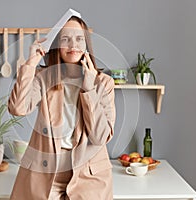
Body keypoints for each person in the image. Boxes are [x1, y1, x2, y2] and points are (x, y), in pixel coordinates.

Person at [8, 16, 115, 200]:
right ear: (57, 45)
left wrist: (89, 88)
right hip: (46, 173)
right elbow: (17, 108)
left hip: (88, 177)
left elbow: (100, 137)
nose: (73, 44)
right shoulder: (44, 78)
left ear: (86, 44)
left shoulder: (103, 83)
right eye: (65, 39)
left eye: (79, 38)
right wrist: (30, 64)